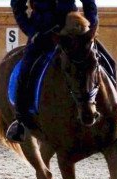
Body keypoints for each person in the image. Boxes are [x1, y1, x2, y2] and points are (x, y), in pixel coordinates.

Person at [6, 0, 99, 143]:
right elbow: (17, 5)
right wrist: (31, 31)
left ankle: (116, 114)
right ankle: (20, 121)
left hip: (73, 30)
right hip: (42, 33)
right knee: (26, 71)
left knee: (106, 61)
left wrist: (91, 26)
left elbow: (89, 2)